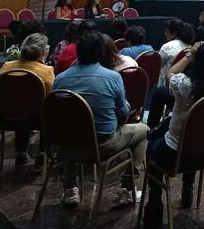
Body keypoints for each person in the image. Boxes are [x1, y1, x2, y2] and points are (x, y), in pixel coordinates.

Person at [142, 41, 204, 225]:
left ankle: (154, 203)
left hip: (175, 155)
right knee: (194, 139)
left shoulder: (184, 86)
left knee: (151, 150)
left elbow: (169, 73)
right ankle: (188, 189)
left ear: (197, 62)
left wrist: (189, 56)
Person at [53, 31, 148, 208]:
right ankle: (127, 189)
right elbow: (123, 112)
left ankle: (69, 189)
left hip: (67, 146)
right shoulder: (112, 77)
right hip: (102, 145)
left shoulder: (60, 79)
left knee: (71, 127)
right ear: (100, 53)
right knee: (144, 130)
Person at [0, 33, 54, 165]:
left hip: (5, 117)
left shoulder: (7, 66)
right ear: (42, 52)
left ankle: (20, 151)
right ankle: (43, 152)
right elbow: (50, 99)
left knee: (20, 105)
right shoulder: (46, 71)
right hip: (37, 120)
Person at [158, 19, 195, 87]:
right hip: (183, 84)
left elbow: (157, 65)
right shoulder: (190, 47)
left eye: (166, 31)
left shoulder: (167, 47)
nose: (164, 34)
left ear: (174, 34)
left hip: (165, 84)